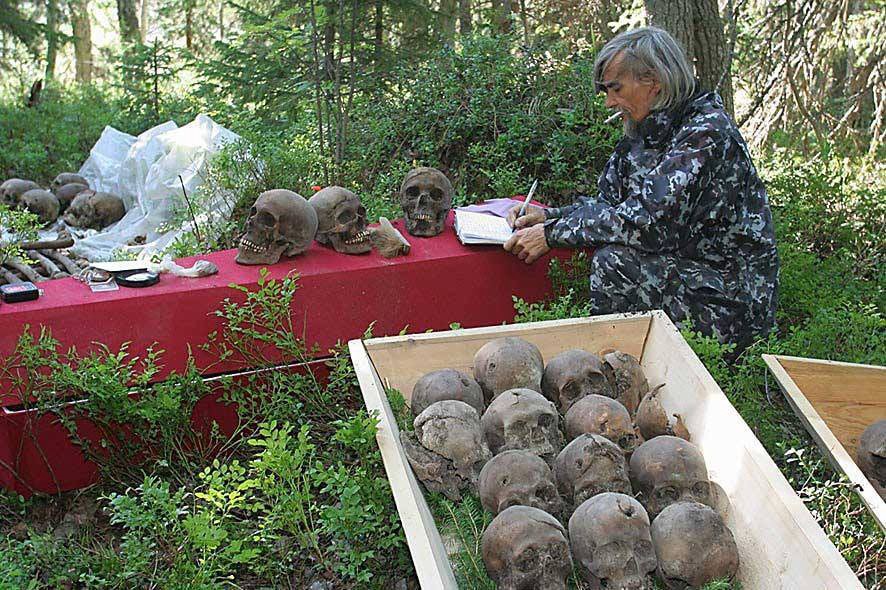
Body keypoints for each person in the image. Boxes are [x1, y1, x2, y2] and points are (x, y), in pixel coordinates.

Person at [504, 26, 778, 350]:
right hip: (687, 270)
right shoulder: (645, 131)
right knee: (611, 250)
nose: (609, 102)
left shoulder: (706, 133)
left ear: (653, 81)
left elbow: (646, 224)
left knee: (614, 262)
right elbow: (610, 205)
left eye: (616, 89)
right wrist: (548, 216)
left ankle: (617, 366)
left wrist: (552, 235)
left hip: (730, 298)